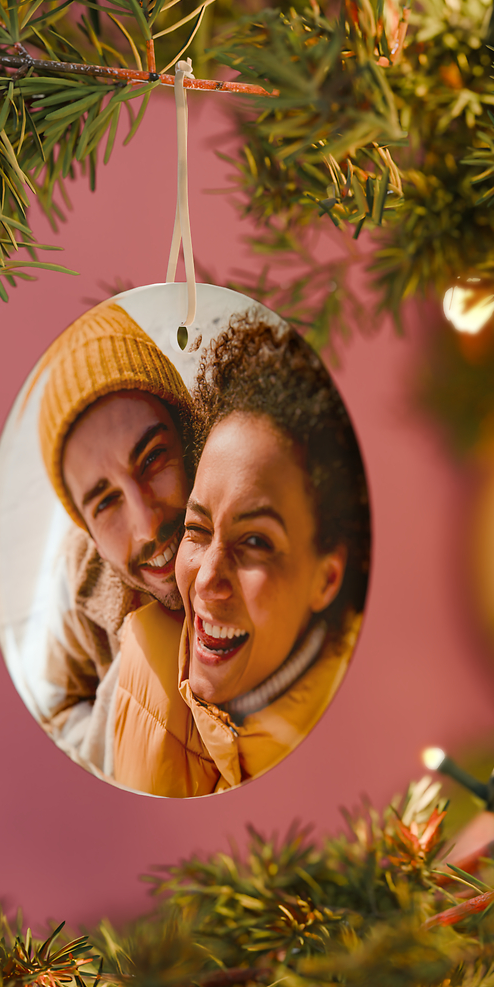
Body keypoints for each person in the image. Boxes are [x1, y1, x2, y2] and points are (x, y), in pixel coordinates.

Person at [107, 316, 370, 797]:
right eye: (197, 529)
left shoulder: (362, 747)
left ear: (327, 579)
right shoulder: (140, 661)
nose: (207, 578)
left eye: (255, 542)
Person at [24, 303, 198, 773]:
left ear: (192, 437)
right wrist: (129, 703)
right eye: (105, 503)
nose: (145, 524)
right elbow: (54, 713)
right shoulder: (76, 576)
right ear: (86, 529)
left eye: (152, 459)